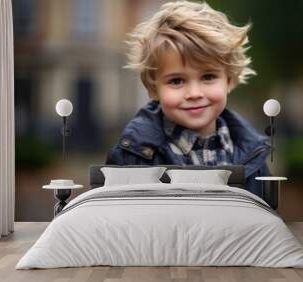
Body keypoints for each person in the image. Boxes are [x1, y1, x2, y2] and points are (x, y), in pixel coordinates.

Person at [105, 1, 271, 197]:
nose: (194, 93)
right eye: (176, 81)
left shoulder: (253, 155)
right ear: (153, 88)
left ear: (230, 79)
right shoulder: (132, 156)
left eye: (208, 77)